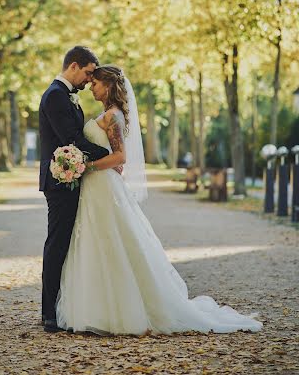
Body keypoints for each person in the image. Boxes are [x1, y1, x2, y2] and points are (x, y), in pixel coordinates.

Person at [56, 65, 262, 335]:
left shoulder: (114, 116)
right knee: (96, 241)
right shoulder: (105, 114)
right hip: (95, 187)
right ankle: (95, 308)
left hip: (103, 184)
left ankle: (120, 311)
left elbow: (120, 157)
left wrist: (87, 166)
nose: (91, 87)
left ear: (108, 85)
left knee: (111, 240)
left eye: (95, 83)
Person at [39, 46, 109, 333]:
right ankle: (49, 314)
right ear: (74, 66)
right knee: (57, 244)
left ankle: (63, 307)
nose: (89, 79)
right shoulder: (55, 95)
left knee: (68, 244)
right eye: (89, 72)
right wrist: (107, 153)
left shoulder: (66, 95)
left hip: (70, 177)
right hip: (59, 181)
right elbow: (71, 138)